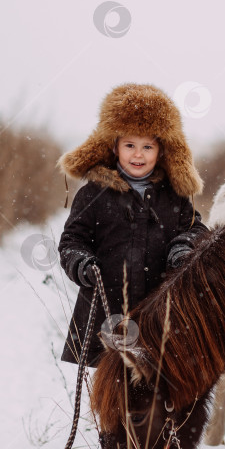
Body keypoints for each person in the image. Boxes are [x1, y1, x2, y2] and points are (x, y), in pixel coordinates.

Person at [57, 82, 208, 368]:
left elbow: (195, 230)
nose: (138, 155)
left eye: (147, 146)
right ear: (114, 146)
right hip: (104, 311)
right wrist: (81, 263)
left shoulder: (173, 196)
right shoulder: (93, 194)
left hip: (159, 315)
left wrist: (183, 248)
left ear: (162, 150)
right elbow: (71, 241)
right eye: (130, 145)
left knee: (150, 397)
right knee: (108, 397)